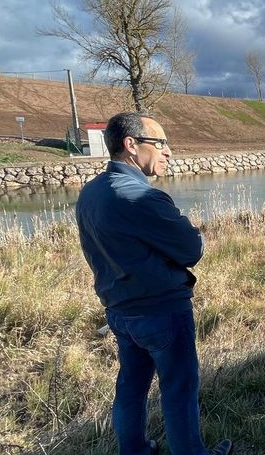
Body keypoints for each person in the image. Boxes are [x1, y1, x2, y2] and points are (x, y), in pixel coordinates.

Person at [76, 112, 232, 455]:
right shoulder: (142, 197)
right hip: (161, 311)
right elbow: (191, 248)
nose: (169, 151)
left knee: (131, 386)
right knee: (178, 390)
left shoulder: (90, 193)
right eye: (160, 142)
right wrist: (197, 238)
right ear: (131, 145)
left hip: (119, 312)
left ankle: (134, 449)